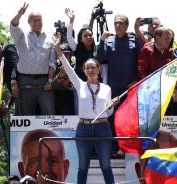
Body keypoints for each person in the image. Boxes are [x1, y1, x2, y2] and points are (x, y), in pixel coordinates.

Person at [54, 32, 115, 184]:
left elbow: (108, 112)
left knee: (106, 166)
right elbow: (68, 68)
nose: (90, 70)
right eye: (87, 68)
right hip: (84, 127)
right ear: (84, 70)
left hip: (103, 127)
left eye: (93, 67)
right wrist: (57, 49)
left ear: (99, 70)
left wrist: (112, 106)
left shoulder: (107, 88)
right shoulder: (79, 85)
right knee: (83, 167)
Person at [97, 14, 140, 156]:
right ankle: (114, 149)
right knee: (113, 118)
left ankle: (128, 148)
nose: (118, 26)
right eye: (116, 23)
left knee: (129, 119)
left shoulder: (135, 39)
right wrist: (101, 41)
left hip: (131, 86)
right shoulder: (108, 40)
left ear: (126, 26)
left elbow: (141, 62)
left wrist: (137, 80)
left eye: (121, 23)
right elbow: (100, 59)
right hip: (114, 87)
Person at [10, 3, 56, 115]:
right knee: (26, 115)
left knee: (50, 114)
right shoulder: (21, 35)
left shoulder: (50, 39)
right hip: (25, 82)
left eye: (39, 20)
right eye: (34, 20)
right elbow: (13, 25)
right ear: (29, 22)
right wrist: (19, 14)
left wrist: (50, 81)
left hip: (44, 82)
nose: (38, 23)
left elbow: (52, 63)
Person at [65, 8, 97, 81]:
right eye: (85, 36)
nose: (88, 37)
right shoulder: (77, 48)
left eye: (90, 35)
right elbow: (69, 38)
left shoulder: (97, 49)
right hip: (81, 83)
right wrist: (71, 21)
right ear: (81, 39)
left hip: (95, 83)